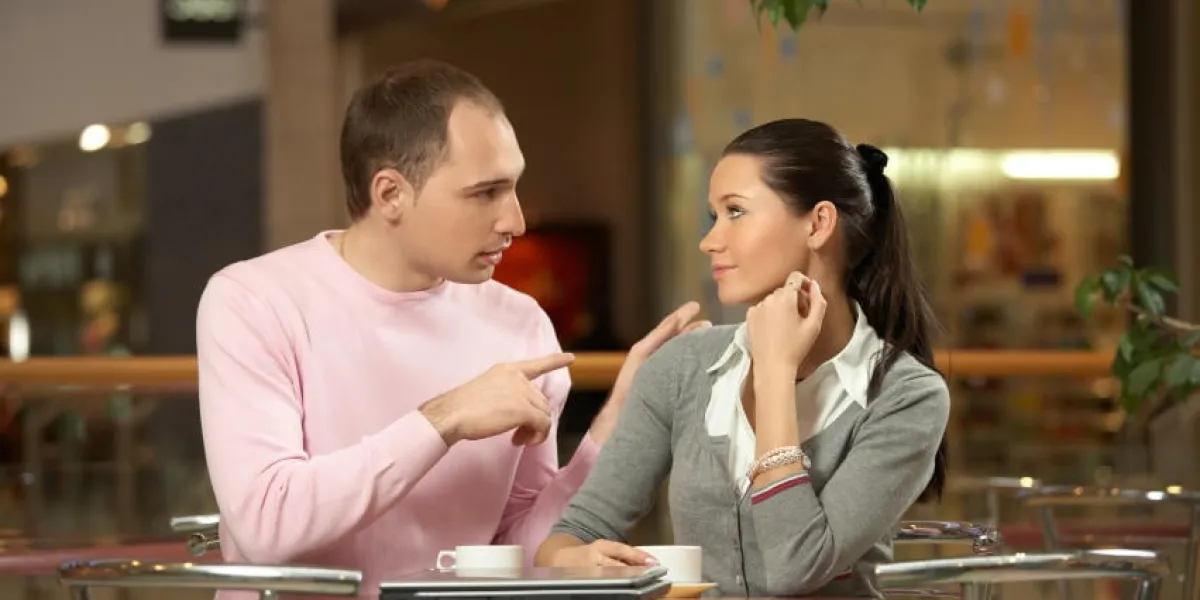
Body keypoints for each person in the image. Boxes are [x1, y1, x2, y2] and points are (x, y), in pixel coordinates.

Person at [196, 59, 706, 594]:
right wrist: (445, 418)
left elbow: (518, 545)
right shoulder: (254, 301)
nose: (515, 221)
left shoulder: (520, 323)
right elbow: (266, 527)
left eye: (513, 188)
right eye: (485, 192)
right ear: (390, 194)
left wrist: (616, 420)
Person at [535, 118, 950, 598]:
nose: (710, 241)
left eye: (735, 212)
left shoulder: (906, 396)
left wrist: (775, 373)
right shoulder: (683, 366)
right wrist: (575, 559)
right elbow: (570, 535)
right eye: (714, 216)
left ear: (818, 224)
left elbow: (796, 566)